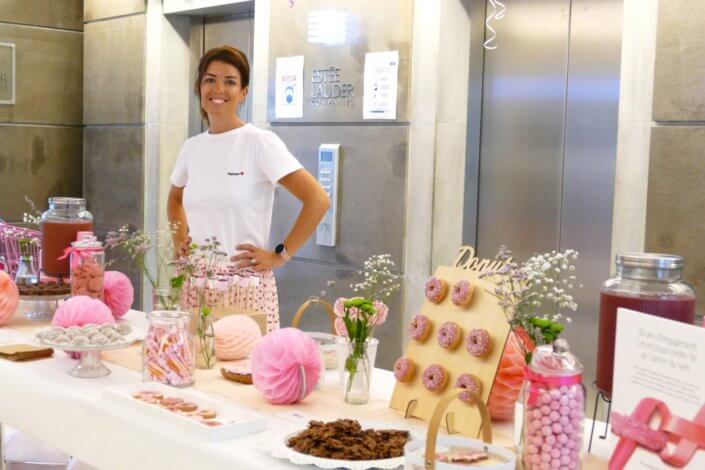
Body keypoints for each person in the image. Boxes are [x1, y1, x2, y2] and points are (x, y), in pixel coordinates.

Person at [167, 46, 330, 331]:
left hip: (246, 288)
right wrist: (179, 240)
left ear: (243, 92)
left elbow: (318, 199)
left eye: (230, 81)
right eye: (210, 79)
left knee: (245, 373)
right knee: (196, 368)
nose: (219, 88)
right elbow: (175, 198)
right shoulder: (192, 147)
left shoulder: (260, 143)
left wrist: (281, 255)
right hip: (196, 286)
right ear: (199, 88)